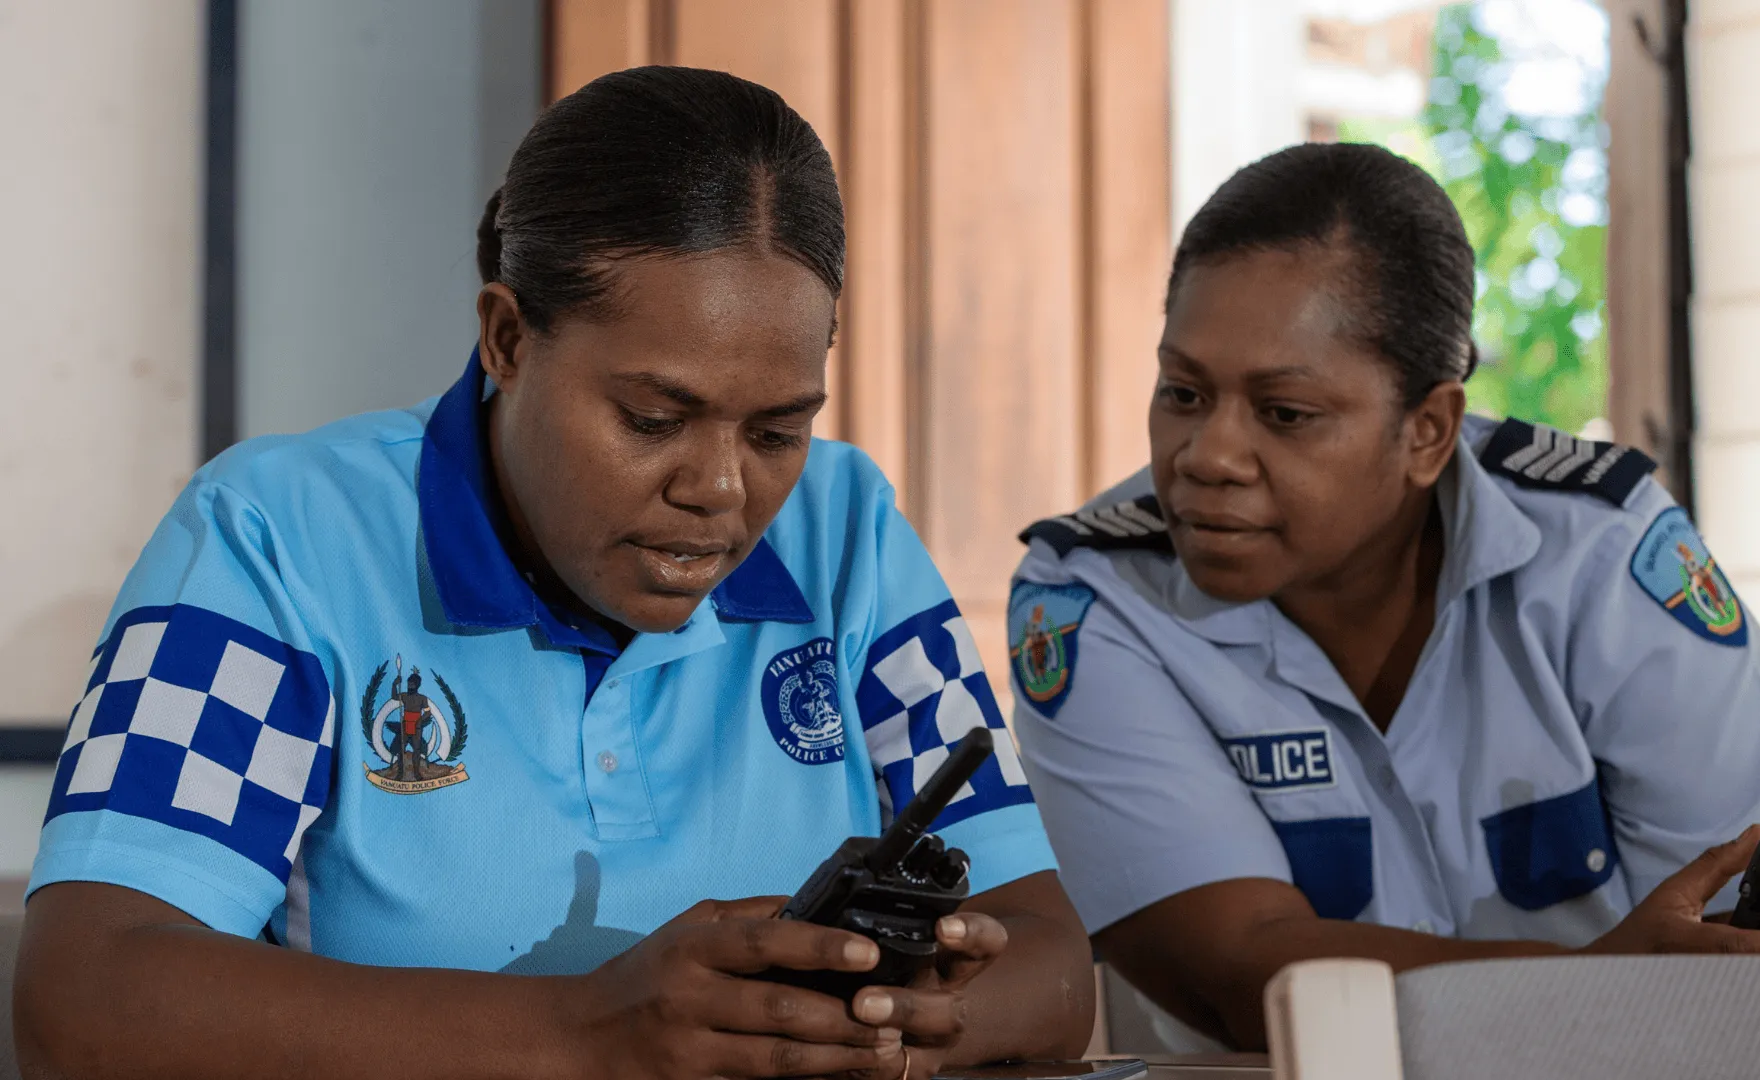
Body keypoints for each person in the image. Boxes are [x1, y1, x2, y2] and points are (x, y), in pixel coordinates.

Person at [19, 67, 1093, 1079]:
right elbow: (87, 996)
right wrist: (589, 1038)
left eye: (775, 430)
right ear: (505, 339)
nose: (721, 489)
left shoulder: (843, 531)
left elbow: (1048, 960)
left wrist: (831, 1033)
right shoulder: (280, 540)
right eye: (654, 419)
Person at [1006, 142, 1760, 1053]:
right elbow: (1239, 972)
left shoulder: (1601, 554)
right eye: (1183, 392)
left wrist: (1689, 977)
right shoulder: (1096, 598)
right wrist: (1610, 985)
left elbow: (1745, 934)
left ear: (1429, 430)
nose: (1207, 457)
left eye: (1284, 414)